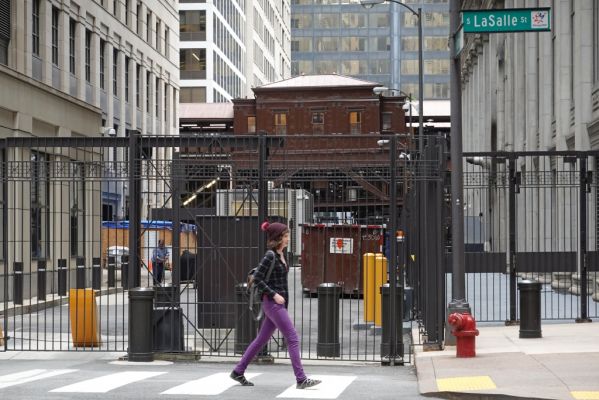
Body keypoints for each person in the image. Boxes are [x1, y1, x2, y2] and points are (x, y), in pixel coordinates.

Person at [230, 221, 321, 390]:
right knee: (293, 338)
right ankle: (301, 379)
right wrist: (274, 294)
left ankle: (238, 371)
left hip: (277, 304)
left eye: (287, 236)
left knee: (260, 340)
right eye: (286, 236)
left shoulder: (281, 255)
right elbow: (257, 278)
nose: (288, 239)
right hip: (273, 304)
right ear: (278, 238)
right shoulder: (270, 255)